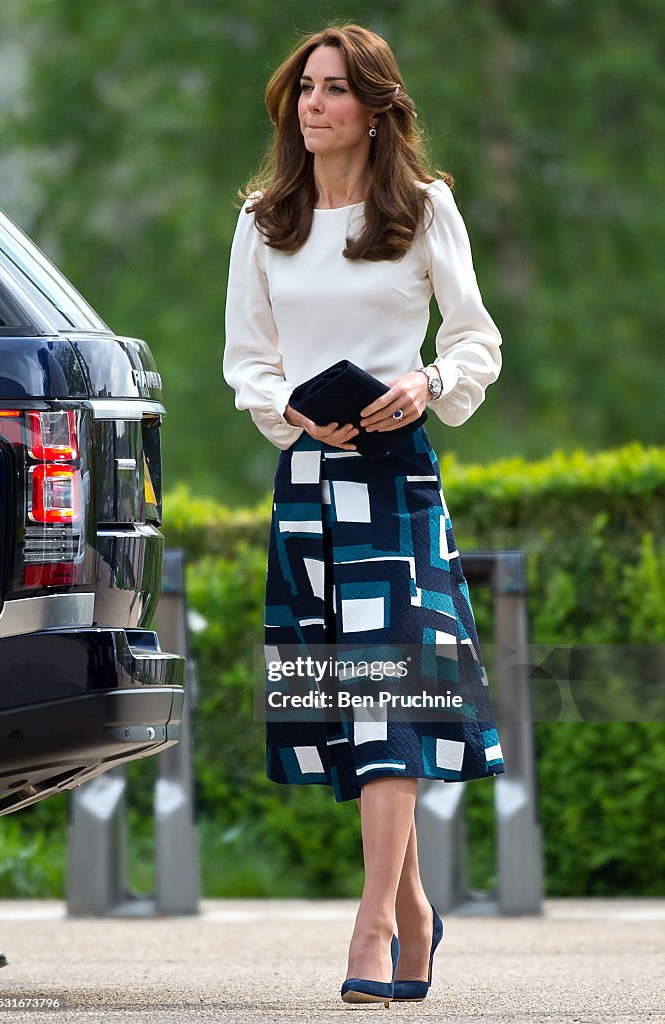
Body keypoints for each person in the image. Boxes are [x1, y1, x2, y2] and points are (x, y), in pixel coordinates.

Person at [223, 23, 505, 1005]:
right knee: (345, 702)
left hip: (392, 477)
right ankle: (419, 912)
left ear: (375, 107)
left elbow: (476, 340)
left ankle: (375, 920)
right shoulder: (262, 218)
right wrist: (284, 407)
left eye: (334, 90)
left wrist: (426, 382)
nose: (313, 105)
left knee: (389, 696)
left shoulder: (424, 210)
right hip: (307, 478)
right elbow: (246, 361)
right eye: (304, 88)